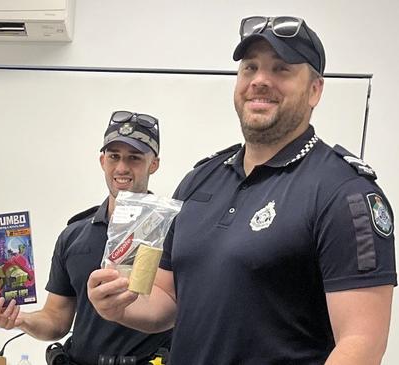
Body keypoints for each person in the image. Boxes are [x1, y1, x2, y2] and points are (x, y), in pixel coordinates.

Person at [87, 16, 396, 364]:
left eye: (281, 69)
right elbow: (165, 298)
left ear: (315, 90)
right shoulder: (199, 179)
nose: (261, 81)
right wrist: (117, 308)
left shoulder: (345, 193)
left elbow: (361, 344)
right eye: (250, 68)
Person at [0, 110, 172, 365]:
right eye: (114, 156)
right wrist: (21, 320)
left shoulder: (174, 231)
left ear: (154, 164)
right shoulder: (74, 236)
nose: (122, 167)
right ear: (102, 161)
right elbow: (56, 321)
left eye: (134, 158)